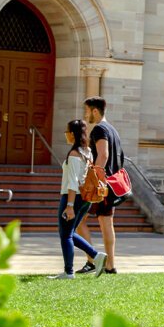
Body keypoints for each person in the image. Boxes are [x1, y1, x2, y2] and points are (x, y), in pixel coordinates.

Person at [80, 95, 125, 275]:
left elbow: (103, 155)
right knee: (105, 222)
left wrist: (94, 178)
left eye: (87, 111)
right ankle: (108, 264)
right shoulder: (113, 130)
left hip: (101, 185)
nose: (86, 115)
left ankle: (94, 260)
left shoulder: (99, 129)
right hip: (110, 184)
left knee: (79, 220)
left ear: (95, 111)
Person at [53, 119, 98, 278]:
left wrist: (69, 205)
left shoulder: (74, 154)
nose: (66, 134)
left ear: (72, 133)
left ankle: (68, 271)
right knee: (70, 232)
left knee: (65, 235)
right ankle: (97, 256)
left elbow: (72, 182)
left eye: (67, 131)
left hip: (72, 197)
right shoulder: (88, 151)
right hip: (85, 199)